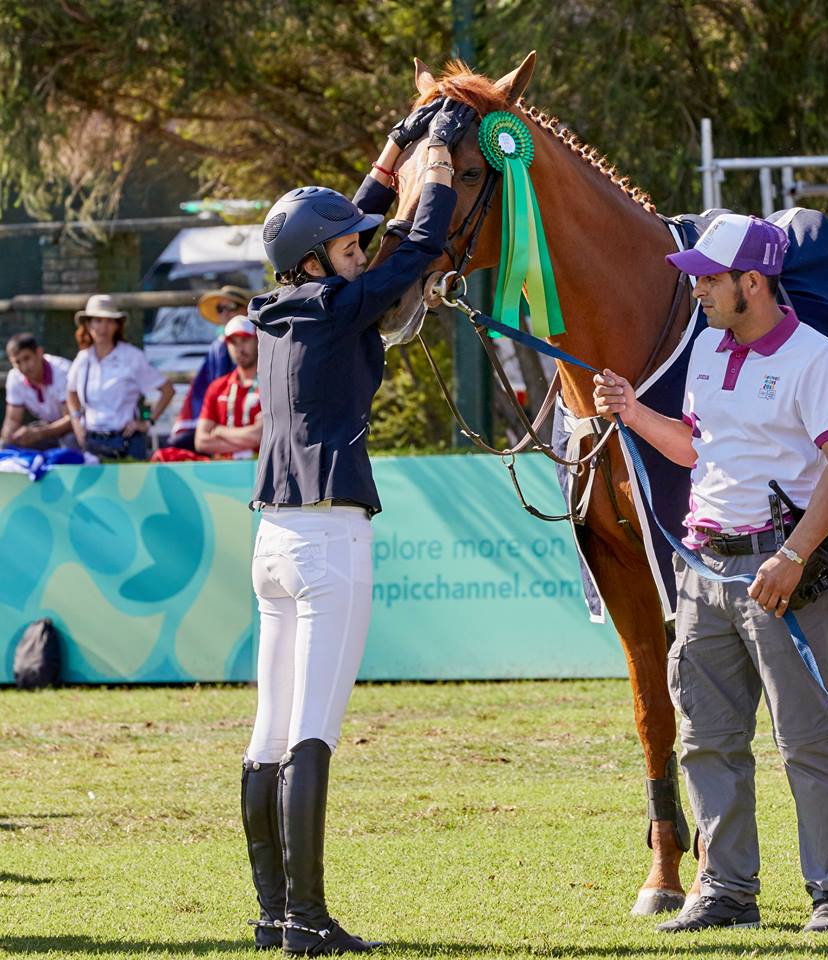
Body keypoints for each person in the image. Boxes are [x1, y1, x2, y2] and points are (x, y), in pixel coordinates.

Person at [240, 96, 471, 955]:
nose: (360, 252)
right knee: (311, 732)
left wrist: (392, 149)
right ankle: (308, 918)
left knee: (268, 733)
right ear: (314, 260)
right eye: (346, 249)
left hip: (271, 541)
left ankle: (274, 913)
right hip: (328, 540)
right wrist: (437, 157)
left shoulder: (278, 309)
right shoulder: (341, 306)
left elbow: (352, 223)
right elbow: (420, 245)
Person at [593, 214, 828, 933]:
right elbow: (695, 449)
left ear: (754, 281)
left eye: (710, 279)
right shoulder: (708, 350)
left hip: (782, 574)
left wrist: (793, 556)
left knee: (806, 740)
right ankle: (727, 892)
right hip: (703, 570)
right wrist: (631, 412)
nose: (699, 291)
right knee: (706, 738)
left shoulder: (815, 357)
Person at [66, 294, 174, 461]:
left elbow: (167, 390)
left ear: (117, 325)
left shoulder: (132, 357)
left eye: (109, 321)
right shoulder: (83, 359)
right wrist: (76, 422)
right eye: (98, 321)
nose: (103, 328)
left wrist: (147, 422)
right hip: (92, 442)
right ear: (88, 324)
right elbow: (71, 391)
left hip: (126, 442)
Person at [167, 285, 253, 450]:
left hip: (253, 411)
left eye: (231, 306)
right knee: (175, 447)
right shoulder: (218, 347)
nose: (225, 313)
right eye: (220, 308)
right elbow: (211, 389)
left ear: (246, 309)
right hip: (220, 415)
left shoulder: (263, 340)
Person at [1, 333, 75, 449]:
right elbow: (12, 420)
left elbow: (72, 419)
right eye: (17, 362)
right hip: (47, 426)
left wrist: (40, 433)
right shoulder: (14, 377)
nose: (24, 367)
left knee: (70, 442)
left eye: (27, 358)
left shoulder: (63, 372)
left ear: (39, 352)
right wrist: (5, 444)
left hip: (78, 427)